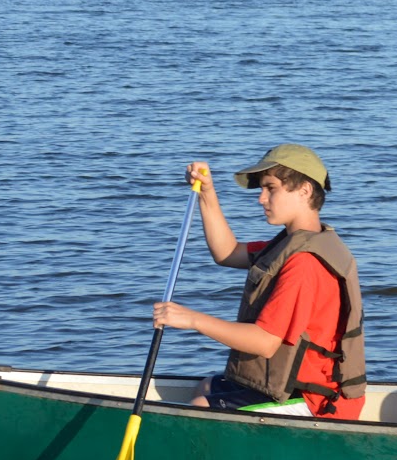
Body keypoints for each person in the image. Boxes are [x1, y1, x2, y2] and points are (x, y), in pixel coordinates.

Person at [152, 144, 367, 420]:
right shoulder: (292, 244)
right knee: (205, 385)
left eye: (271, 188)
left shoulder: (305, 263)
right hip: (287, 385)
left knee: (201, 408)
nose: (261, 199)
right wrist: (207, 192)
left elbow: (266, 342)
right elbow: (227, 252)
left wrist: (193, 319)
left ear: (304, 191)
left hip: (315, 402)